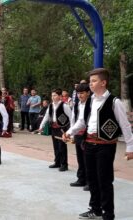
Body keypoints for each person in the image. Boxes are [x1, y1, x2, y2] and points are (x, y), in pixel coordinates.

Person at [63, 68, 133, 220]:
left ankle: (108, 214)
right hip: (89, 144)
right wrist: (69, 132)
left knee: (105, 179)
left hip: (106, 146)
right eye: (90, 81)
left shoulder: (115, 102)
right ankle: (95, 209)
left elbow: (126, 125)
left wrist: (130, 147)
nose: (90, 84)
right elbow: (82, 122)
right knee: (92, 178)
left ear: (103, 82)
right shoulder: (89, 101)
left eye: (93, 81)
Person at [66, 83, 91, 190]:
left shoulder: (91, 105)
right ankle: (81, 179)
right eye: (78, 93)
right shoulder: (77, 105)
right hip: (78, 134)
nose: (80, 95)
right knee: (80, 158)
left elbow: (82, 122)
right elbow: (73, 120)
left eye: (82, 93)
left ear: (88, 93)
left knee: (88, 159)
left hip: (88, 135)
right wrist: (72, 134)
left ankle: (90, 182)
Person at [39, 88, 71, 171]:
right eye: (52, 95)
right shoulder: (50, 105)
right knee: (56, 146)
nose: (53, 97)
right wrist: (41, 125)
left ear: (60, 96)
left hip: (62, 129)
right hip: (53, 128)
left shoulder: (64, 106)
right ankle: (57, 162)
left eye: (55, 95)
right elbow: (46, 116)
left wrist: (70, 131)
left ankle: (64, 164)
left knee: (62, 147)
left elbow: (71, 118)